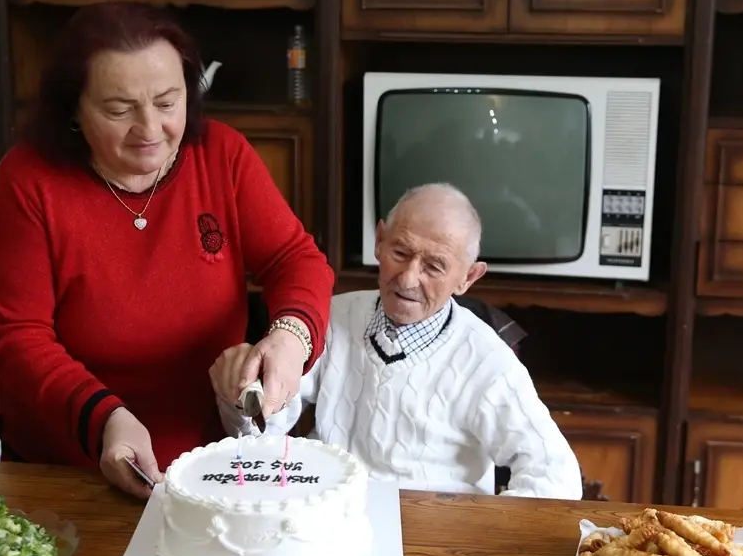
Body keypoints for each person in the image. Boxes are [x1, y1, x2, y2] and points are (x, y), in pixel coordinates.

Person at [0, 2, 333, 499]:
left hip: (211, 462)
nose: (149, 130)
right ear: (72, 107)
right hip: (67, 464)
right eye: (119, 110)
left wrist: (291, 338)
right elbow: (15, 339)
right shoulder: (27, 184)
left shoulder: (222, 156)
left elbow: (295, 259)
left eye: (167, 103)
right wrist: (104, 419)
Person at [215, 183, 583, 499]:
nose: (408, 279)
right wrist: (243, 397)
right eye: (400, 253)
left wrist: (482, 535)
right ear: (379, 241)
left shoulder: (487, 360)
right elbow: (261, 437)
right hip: (327, 519)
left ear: (467, 277)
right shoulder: (329, 317)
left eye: (434, 266)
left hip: (435, 541)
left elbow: (557, 478)